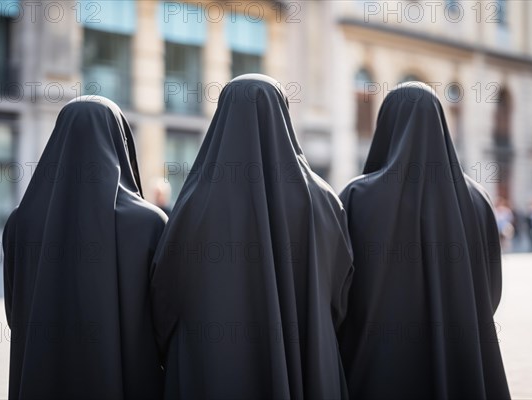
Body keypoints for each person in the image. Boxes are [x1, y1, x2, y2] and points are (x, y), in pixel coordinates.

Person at [150, 74, 354, 399]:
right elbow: (340, 299)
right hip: (307, 369)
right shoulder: (324, 201)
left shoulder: (192, 204)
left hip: (211, 373)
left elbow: (164, 298)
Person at [338, 83, 510, 399]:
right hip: (460, 358)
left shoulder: (356, 197)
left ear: (386, 126)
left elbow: (338, 289)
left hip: (374, 364)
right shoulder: (477, 200)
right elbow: (490, 289)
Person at [2, 96, 168, 400]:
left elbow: (15, 313)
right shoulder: (150, 223)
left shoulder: (19, 222)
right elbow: (164, 321)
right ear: (121, 144)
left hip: (42, 376)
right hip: (127, 378)